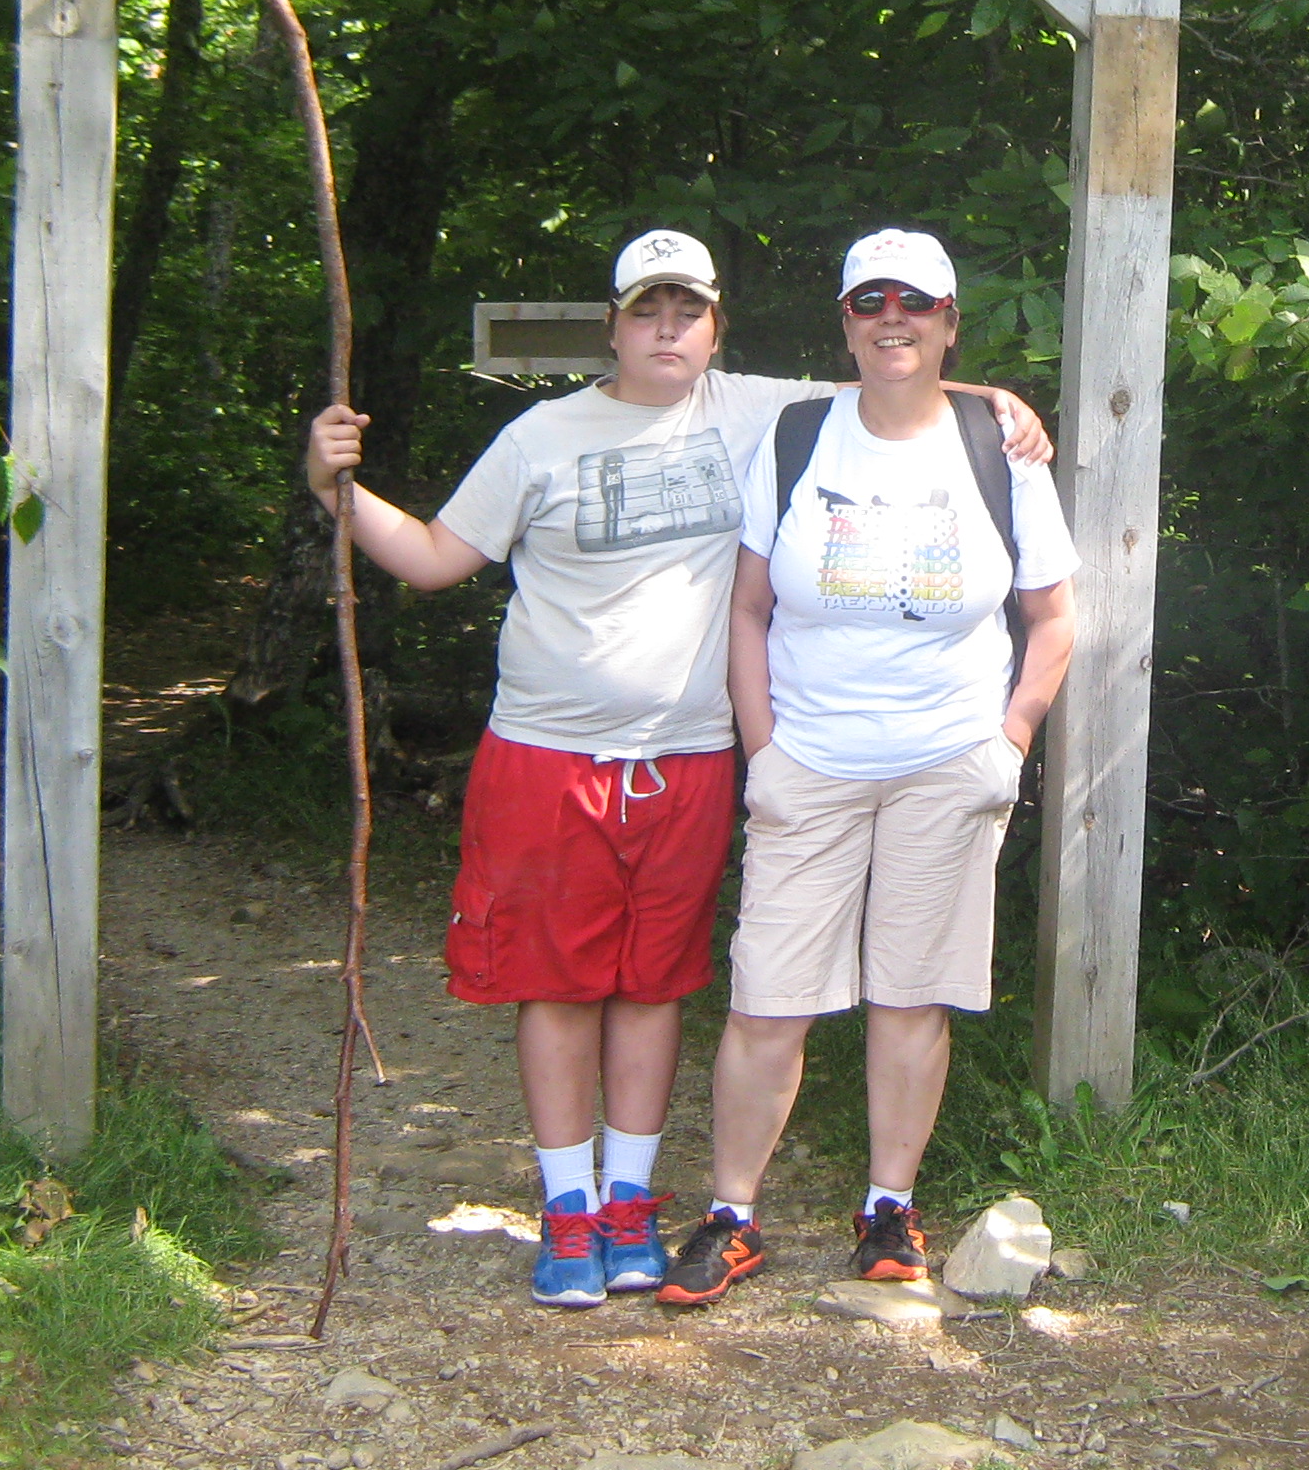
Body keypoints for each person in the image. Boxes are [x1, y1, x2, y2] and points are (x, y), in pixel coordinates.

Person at [302, 228, 1048, 1309]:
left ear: (714, 329)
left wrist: (998, 403)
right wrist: (337, 490)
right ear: (611, 324)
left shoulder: (749, 409)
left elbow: (890, 375)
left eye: (686, 311)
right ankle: (566, 1210)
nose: (666, 329)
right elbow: (429, 559)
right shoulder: (540, 436)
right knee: (557, 987)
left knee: (653, 988)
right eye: (646, 310)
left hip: (686, 763)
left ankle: (631, 1205)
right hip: (547, 753)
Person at [656, 228, 1079, 1305]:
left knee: (911, 998)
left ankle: (890, 1212)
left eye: (917, 302)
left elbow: (1054, 617)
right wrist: (766, 754)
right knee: (767, 1000)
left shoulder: (999, 445)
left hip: (949, 762)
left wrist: (1010, 741)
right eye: (869, 300)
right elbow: (749, 609)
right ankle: (732, 1216)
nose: (893, 317)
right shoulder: (796, 434)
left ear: (948, 321)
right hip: (812, 761)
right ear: (844, 320)